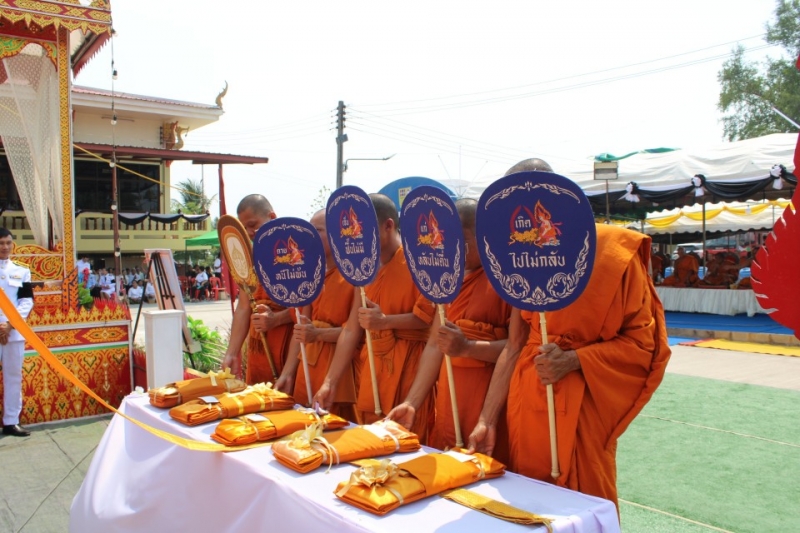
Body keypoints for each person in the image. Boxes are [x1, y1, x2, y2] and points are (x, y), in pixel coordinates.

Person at [467, 158, 671, 508]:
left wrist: (576, 360)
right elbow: (515, 345)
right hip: (529, 396)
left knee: (582, 505)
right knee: (527, 500)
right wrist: (487, 419)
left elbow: (644, 345)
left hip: (583, 402)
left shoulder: (611, 251)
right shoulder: (517, 252)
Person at [388, 198, 513, 456]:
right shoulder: (447, 281)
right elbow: (436, 344)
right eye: (447, 244)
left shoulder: (508, 279)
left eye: (462, 243)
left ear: (484, 236)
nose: (453, 252)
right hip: (450, 398)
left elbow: (518, 348)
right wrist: (412, 402)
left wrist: (468, 348)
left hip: (493, 403)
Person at [313, 194, 432, 440]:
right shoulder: (364, 268)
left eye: (365, 231)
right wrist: (330, 382)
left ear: (388, 225)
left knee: (408, 441)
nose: (359, 239)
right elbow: (352, 329)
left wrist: (386, 322)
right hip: (372, 369)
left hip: (411, 367)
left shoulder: (420, 260)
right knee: (371, 443)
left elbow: (429, 319)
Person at [275, 210, 357, 419]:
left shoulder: (354, 275)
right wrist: (288, 373)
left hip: (340, 367)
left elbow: (358, 333)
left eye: (317, 230)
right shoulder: (312, 275)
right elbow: (302, 329)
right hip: (308, 366)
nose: (310, 236)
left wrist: (319, 334)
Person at [221, 194, 294, 384]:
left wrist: (277, 319)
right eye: (244, 228)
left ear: (272, 217)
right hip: (258, 344)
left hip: (289, 344)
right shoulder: (250, 257)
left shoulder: (293, 253)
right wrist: (232, 353)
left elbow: (308, 308)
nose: (249, 232)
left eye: (253, 225)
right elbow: (244, 307)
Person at [0, 228, 34, 437]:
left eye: (8, 243)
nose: (5, 247)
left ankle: (11, 421)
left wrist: (9, 325)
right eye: (1, 243)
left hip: (13, 333)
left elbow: (26, 301)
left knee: (13, 377)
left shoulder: (21, 271)